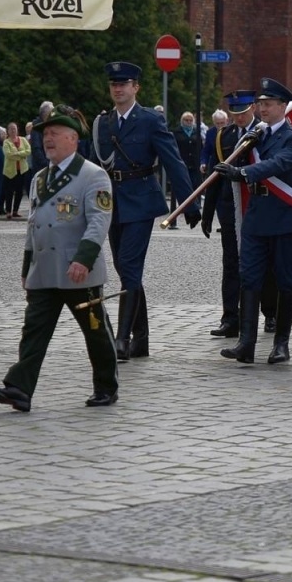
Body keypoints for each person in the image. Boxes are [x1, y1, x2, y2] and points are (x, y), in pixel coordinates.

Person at [0, 112, 118, 413]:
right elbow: (34, 224)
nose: (48, 139)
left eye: (55, 132)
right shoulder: (41, 177)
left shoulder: (93, 175)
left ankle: (106, 386)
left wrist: (83, 260)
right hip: (44, 269)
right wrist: (26, 266)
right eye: (45, 134)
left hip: (77, 270)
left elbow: (98, 221)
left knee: (96, 332)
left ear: (73, 138)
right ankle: (19, 389)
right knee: (34, 330)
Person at [92, 61, 195, 360]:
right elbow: (92, 168)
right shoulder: (104, 122)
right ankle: (142, 339)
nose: (118, 88)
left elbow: (173, 161)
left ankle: (122, 339)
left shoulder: (150, 120)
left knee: (129, 265)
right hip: (111, 203)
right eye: (114, 84)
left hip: (141, 200)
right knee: (126, 270)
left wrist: (189, 203)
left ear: (136, 87)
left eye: (124, 84)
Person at [213, 78, 292, 365]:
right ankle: (246, 343)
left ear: (282, 106)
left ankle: (281, 344)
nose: (262, 109)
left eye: (268, 104)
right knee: (250, 277)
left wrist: (244, 173)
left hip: (285, 216)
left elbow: (278, 163)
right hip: (256, 217)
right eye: (261, 104)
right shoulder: (254, 135)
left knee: (285, 281)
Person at [203, 93, 256, 338]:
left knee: (260, 265)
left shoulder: (263, 133)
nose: (240, 117)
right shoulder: (224, 136)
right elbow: (215, 177)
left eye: (243, 112)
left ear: (253, 108)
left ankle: (267, 313)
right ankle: (230, 318)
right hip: (229, 208)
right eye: (235, 113)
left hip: (257, 206)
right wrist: (207, 213)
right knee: (231, 264)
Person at [173, 111, 204, 228]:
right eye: (186, 120)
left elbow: (201, 147)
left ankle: (194, 206)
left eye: (190, 120)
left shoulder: (197, 132)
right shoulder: (177, 132)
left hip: (195, 163)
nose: (188, 122)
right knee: (185, 185)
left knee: (196, 184)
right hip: (183, 163)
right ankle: (187, 208)